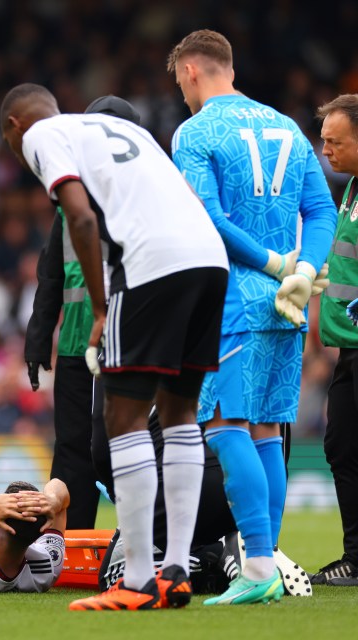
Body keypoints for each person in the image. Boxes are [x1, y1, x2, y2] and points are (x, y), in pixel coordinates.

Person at [1, 83, 229, 611]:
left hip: (149, 268)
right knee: (179, 415)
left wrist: (103, 309)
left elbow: (77, 218)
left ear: (16, 125)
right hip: (207, 258)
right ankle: (175, 571)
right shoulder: (138, 138)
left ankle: (139, 580)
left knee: (120, 424)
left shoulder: (44, 132)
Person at [168, 30, 337, 604]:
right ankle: (262, 560)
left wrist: (271, 263)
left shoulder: (195, 132)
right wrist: (302, 270)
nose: (182, 94)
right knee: (267, 430)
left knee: (222, 425)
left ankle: (260, 568)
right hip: (289, 302)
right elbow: (321, 210)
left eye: (179, 82)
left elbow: (206, 216)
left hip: (231, 299)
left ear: (192, 71)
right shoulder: (287, 126)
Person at [26, 95, 143, 529]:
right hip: (78, 345)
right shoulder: (68, 198)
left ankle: (141, 538)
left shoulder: (141, 193)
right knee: (72, 449)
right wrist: (39, 334)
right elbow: (51, 274)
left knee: (109, 448)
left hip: (127, 346)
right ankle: (71, 547)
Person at [313, 94, 358, 586]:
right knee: (342, 445)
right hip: (351, 346)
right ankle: (356, 558)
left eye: (335, 141)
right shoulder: (350, 190)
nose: (326, 150)